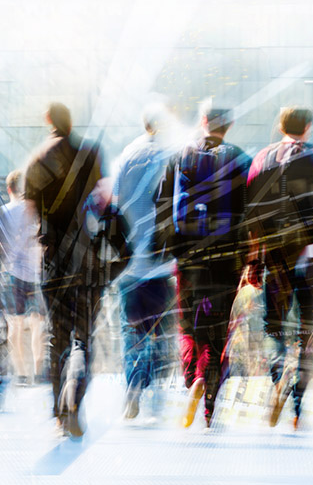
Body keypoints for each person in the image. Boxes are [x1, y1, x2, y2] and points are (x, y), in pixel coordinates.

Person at [155, 106, 252, 429]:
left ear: (204, 122)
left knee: (188, 326)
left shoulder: (181, 155)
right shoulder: (239, 157)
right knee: (216, 330)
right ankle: (207, 394)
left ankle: (190, 377)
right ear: (230, 125)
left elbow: (162, 204)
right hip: (226, 257)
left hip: (187, 256)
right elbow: (251, 209)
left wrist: (166, 247)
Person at [246, 107, 313, 430]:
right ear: (309, 128)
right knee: (308, 330)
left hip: (274, 257)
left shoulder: (260, 160)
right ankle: (298, 408)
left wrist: (253, 260)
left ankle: (279, 376)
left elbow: (253, 220)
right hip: (312, 258)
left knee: (273, 326)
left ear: (281, 126)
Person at [23, 102, 104, 438]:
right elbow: (102, 202)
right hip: (86, 258)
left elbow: (31, 210)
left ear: (48, 122)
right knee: (84, 338)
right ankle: (76, 401)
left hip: (53, 258)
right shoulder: (90, 153)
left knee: (57, 337)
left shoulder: (37, 159)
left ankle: (58, 411)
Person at [112, 105, 178, 420]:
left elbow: (113, 204)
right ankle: (151, 383)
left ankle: (133, 384)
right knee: (160, 327)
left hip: (129, 263)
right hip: (161, 261)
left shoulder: (127, 155)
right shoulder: (172, 156)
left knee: (132, 327)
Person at [0, 170, 45, 387]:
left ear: (9, 189)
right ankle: (38, 372)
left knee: (15, 325)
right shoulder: (37, 211)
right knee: (39, 324)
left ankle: (21, 374)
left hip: (10, 273)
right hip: (36, 273)